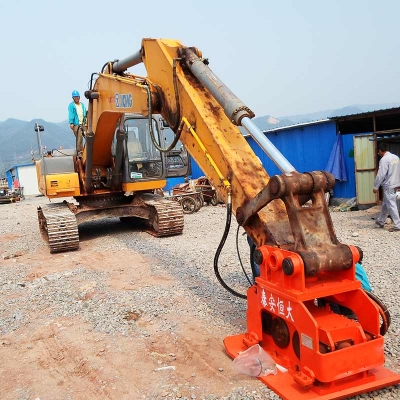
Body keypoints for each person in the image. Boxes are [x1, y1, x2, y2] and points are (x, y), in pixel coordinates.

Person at [373, 143, 400, 232]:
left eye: (378, 153)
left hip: (389, 185)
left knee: (392, 204)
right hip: (396, 183)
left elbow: (381, 174)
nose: (379, 154)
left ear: (380, 151)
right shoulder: (396, 158)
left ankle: (397, 225)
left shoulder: (384, 160)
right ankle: (381, 221)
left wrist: (376, 186)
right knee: (385, 203)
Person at [68, 90, 87, 157]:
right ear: (73, 98)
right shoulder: (71, 106)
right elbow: (71, 114)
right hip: (76, 124)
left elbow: (85, 113)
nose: (76, 98)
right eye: (75, 97)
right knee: (79, 138)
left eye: (77, 97)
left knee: (87, 136)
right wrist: (71, 123)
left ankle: (87, 150)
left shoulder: (82, 105)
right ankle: (80, 152)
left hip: (83, 123)